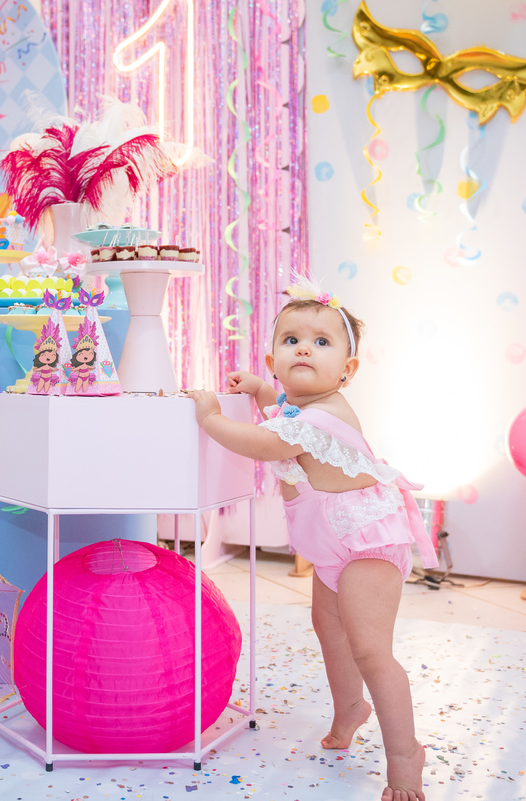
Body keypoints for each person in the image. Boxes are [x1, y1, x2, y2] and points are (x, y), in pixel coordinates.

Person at [188, 278, 437, 801]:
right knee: (329, 629)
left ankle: (404, 754)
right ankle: (351, 708)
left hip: (365, 545)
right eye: (292, 340)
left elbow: (264, 442)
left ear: (347, 370)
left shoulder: (326, 415)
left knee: (370, 650)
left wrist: (210, 417)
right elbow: (283, 411)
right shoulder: (299, 410)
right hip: (332, 545)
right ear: (273, 360)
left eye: (322, 342)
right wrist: (261, 392)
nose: (305, 348)